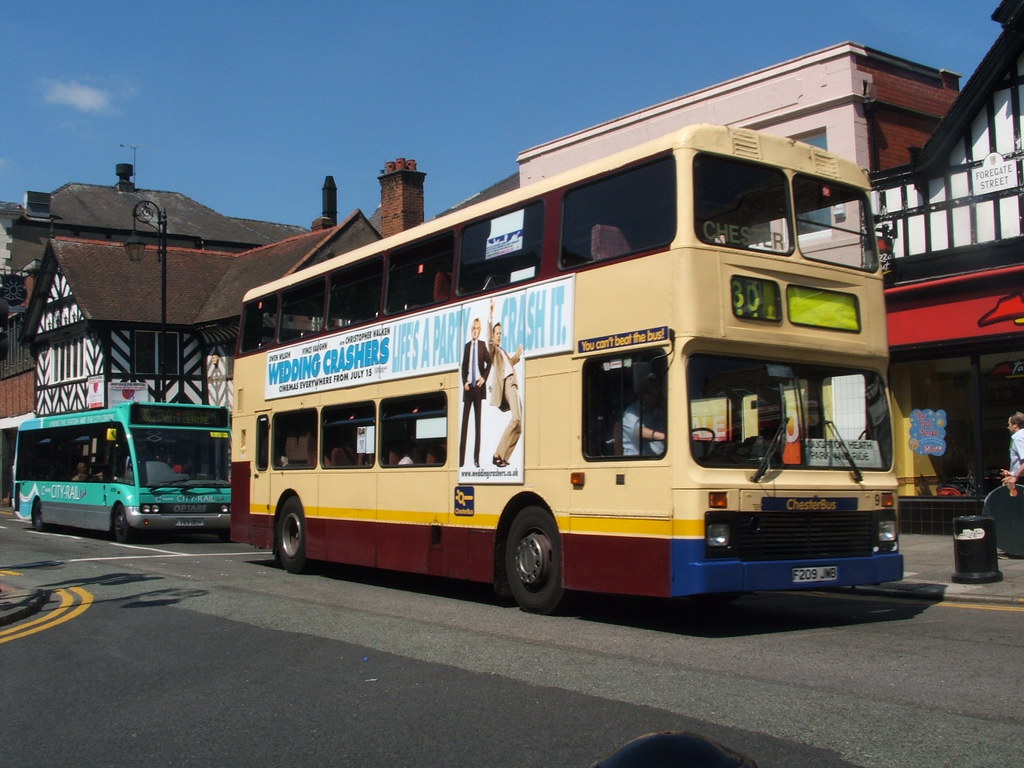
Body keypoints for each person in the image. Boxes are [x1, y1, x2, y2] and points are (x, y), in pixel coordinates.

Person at [487, 301, 523, 468]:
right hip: (507, 383)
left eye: (500, 333)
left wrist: (517, 354)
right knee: (515, 419)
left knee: (519, 425)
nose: (499, 336)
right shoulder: (494, 350)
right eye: (497, 333)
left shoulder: (502, 351)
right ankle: (497, 454)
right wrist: (490, 316)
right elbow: (489, 342)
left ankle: (503, 457)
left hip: (513, 382)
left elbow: (510, 363)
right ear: (493, 336)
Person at [459, 316, 492, 467]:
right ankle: (461, 459)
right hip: (468, 389)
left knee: (477, 424)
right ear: (471, 330)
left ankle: (476, 459)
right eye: (473, 328)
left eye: (477, 328)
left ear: (480, 331)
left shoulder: (482, 345)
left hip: (478, 388)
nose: (475, 331)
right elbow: (464, 367)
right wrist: (464, 382)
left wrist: (483, 378)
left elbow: (489, 362)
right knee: (464, 424)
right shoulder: (467, 347)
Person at [621, 375, 666, 457]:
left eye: (657, 390)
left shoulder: (658, 412)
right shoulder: (631, 412)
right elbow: (639, 431)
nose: (656, 393)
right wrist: (666, 436)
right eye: (652, 390)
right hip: (637, 461)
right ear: (642, 393)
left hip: (659, 458)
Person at [1000, 411, 1024, 491]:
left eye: (1009, 424)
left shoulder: (1018, 439)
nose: (1008, 427)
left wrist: (1015, 476)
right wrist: (1012, 472)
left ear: (1015, 425)